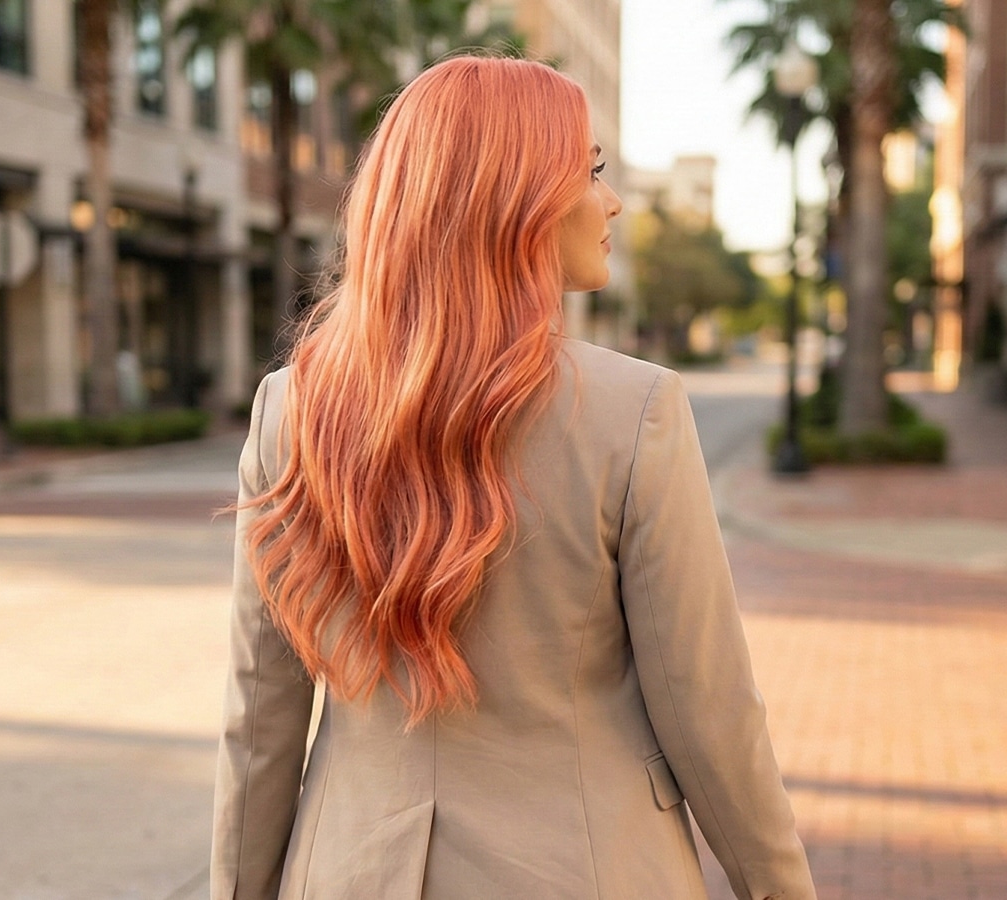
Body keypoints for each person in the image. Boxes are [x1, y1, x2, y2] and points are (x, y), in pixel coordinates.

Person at [212, 55, 816, 900]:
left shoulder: (294, 406)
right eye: (591, 172)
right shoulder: (636, 410)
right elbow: (706, 708)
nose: (612, 202)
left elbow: (260, 715)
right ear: (514, 200)